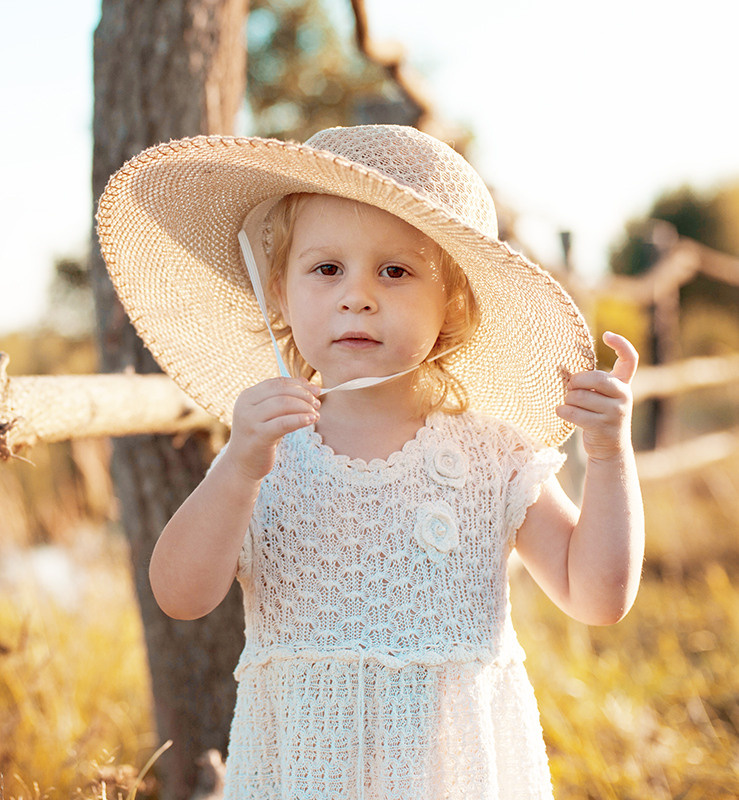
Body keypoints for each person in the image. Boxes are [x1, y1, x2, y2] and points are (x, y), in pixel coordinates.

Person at [97, 124, 644, 800]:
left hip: (451, 777)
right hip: (302, 774)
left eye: (395, 270)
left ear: (453, 305)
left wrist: (608, 455)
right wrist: (236, 467)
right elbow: (180, 597)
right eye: (327, 269)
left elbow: (595, 597)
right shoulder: (263, 458)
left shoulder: (489, 455)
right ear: (280, 294)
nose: (358, 295)